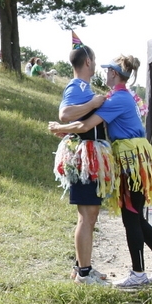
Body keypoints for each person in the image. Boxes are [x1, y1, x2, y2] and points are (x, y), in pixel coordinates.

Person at [49, 55, 152, 288]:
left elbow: (85, 125)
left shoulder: (117, 99)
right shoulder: (122, 96)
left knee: (131, 216)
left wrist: (60, 127)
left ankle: (140, 272)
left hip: (131, 160)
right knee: (134, 216)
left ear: (115, 74)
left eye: (108, 71)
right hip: (133, 158)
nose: (103, 73)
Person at [54, 44, 111, 284]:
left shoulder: (83, 87)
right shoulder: (77, 86)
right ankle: (84, 273)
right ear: (87, 62)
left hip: (89, 157)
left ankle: (81, 267)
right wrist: (94, 104)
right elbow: (65, 114)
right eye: (95, 59)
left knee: (90, 214)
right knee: (87, 216)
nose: (96, 64)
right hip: (84, 157)